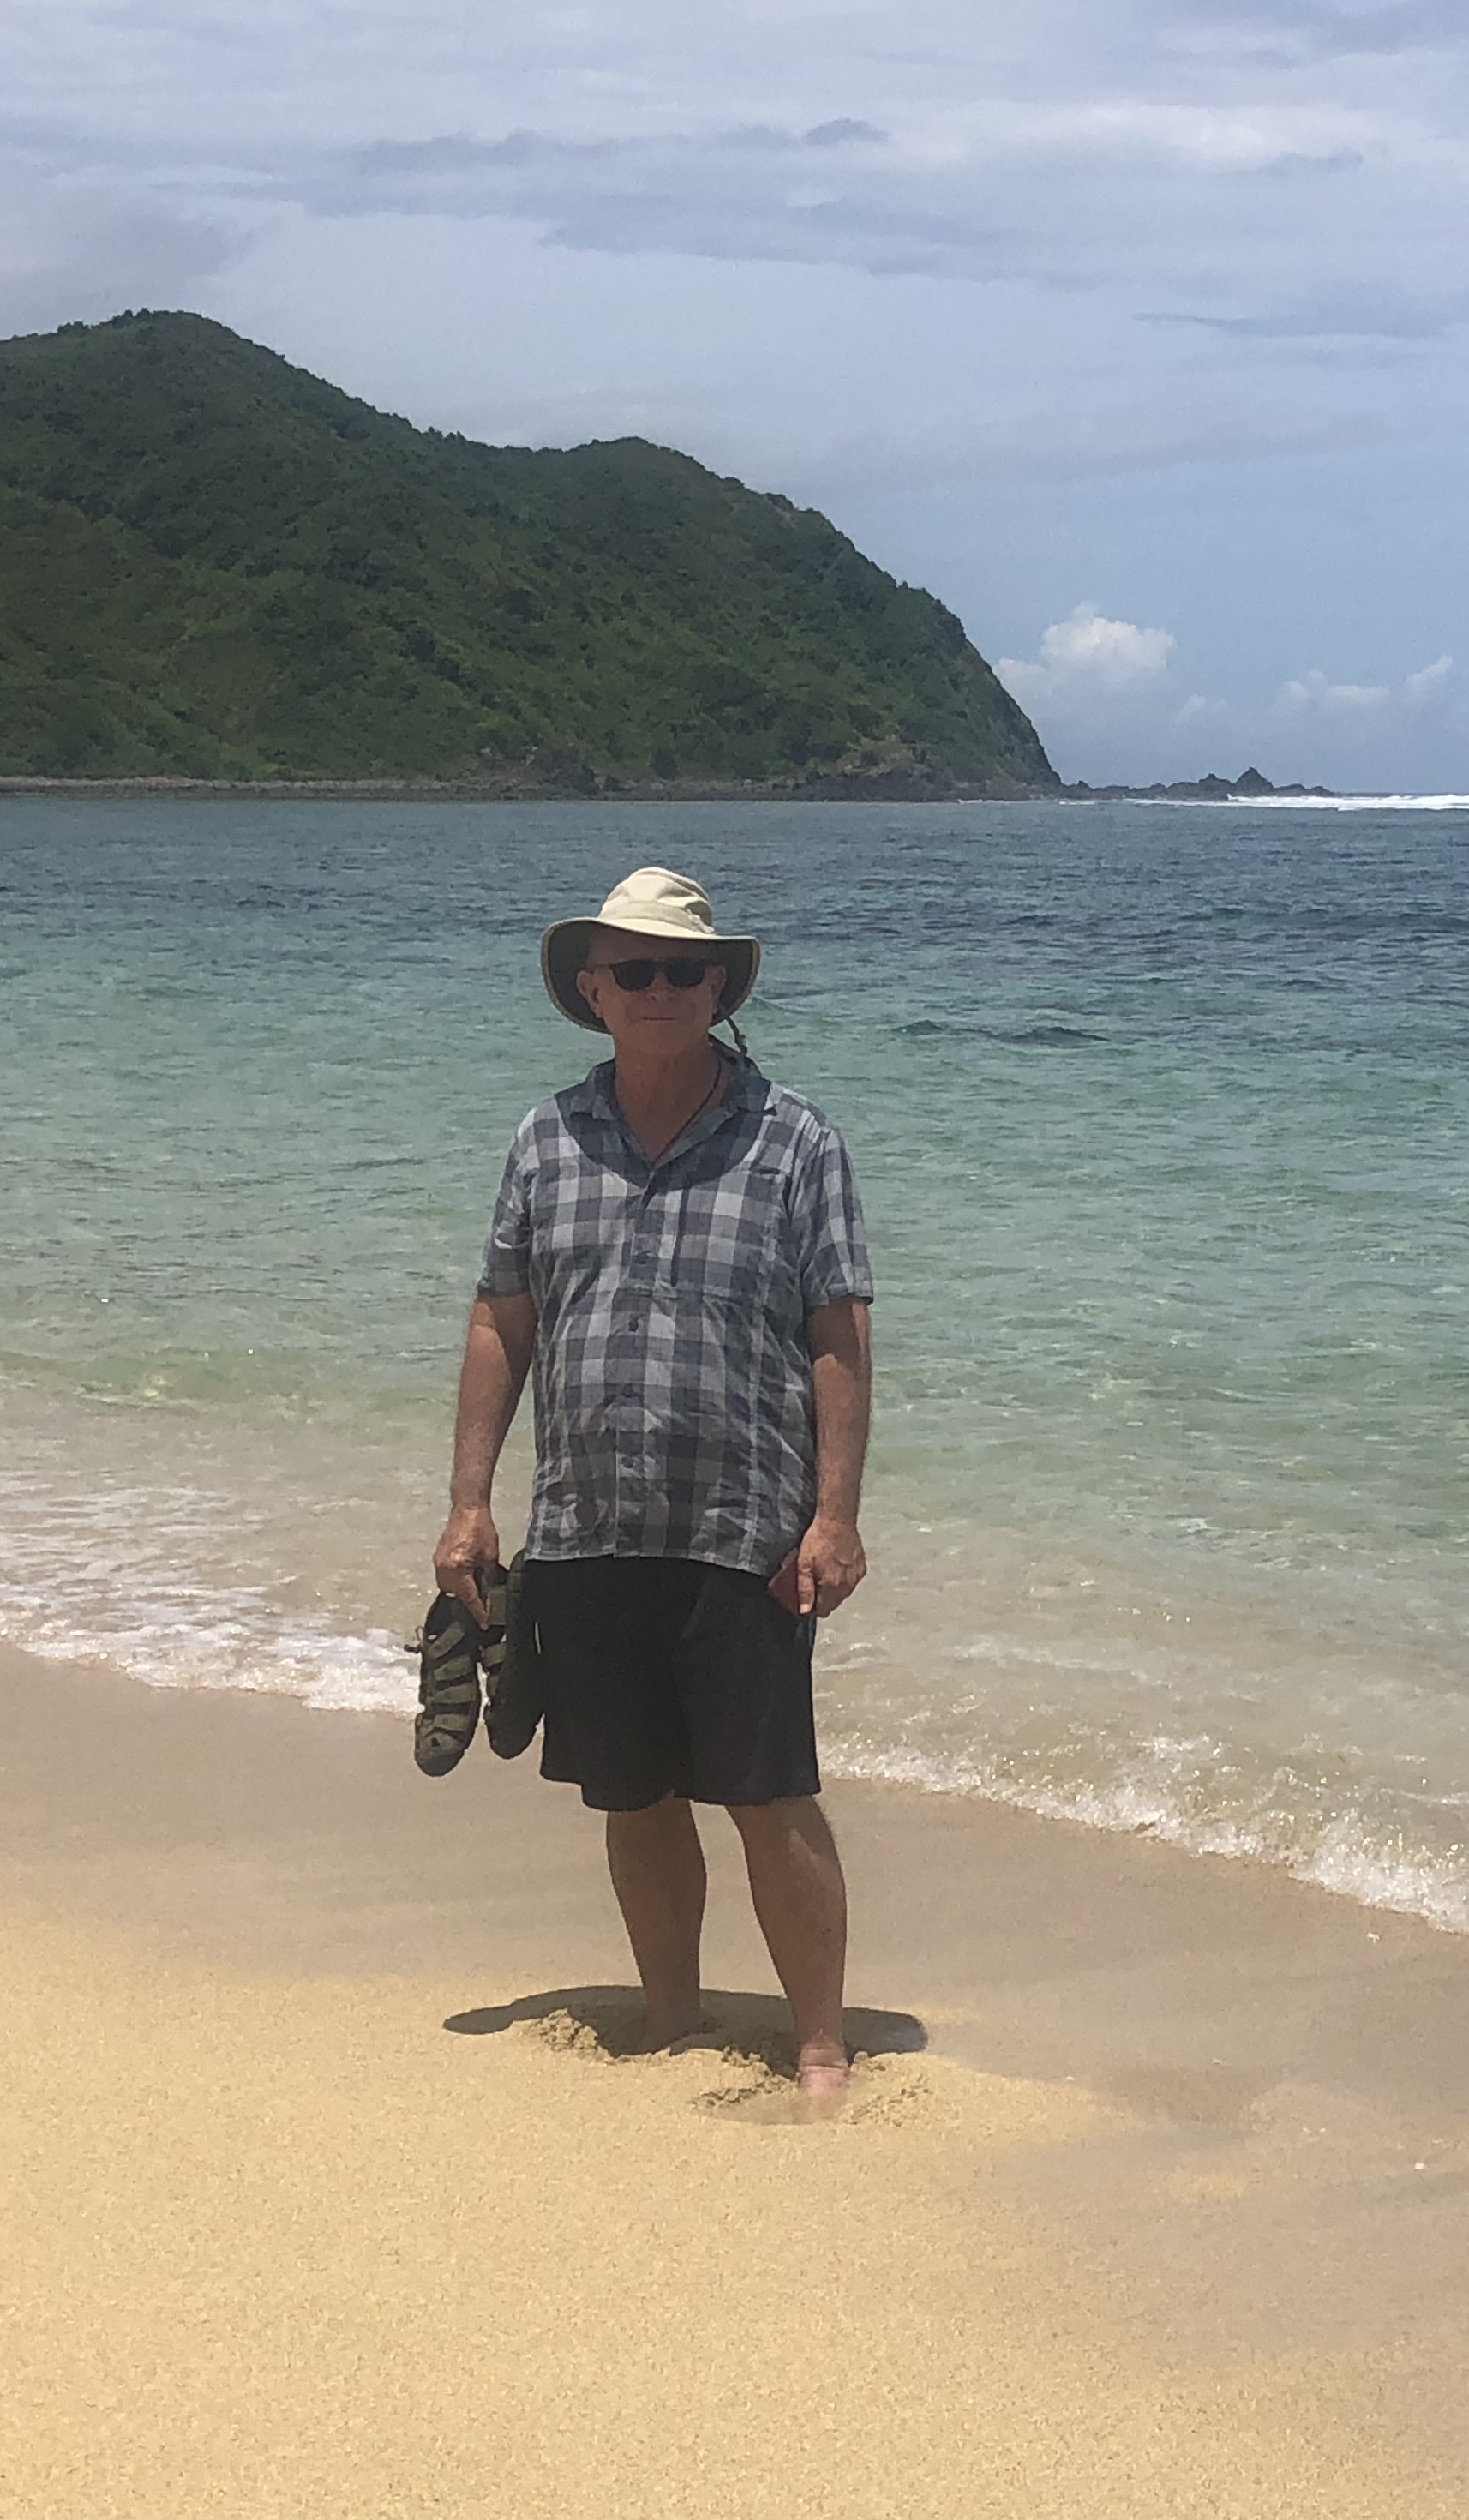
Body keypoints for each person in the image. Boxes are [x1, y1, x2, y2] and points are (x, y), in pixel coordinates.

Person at [435, 867, 875, 2099]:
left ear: (720, 988)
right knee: (631, 1796)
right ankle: (672, 2015)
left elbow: (838, 1334)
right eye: (635, 970)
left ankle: (822, 2046)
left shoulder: (796, 1142)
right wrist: (470, 1503)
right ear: (594, 991)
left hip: (746, 1530)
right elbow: (502, 1321)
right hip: (587, 1525)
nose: (662, 989)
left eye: (687, 970)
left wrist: (836, 1516)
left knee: (770, 1796)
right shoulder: (546, 1138)